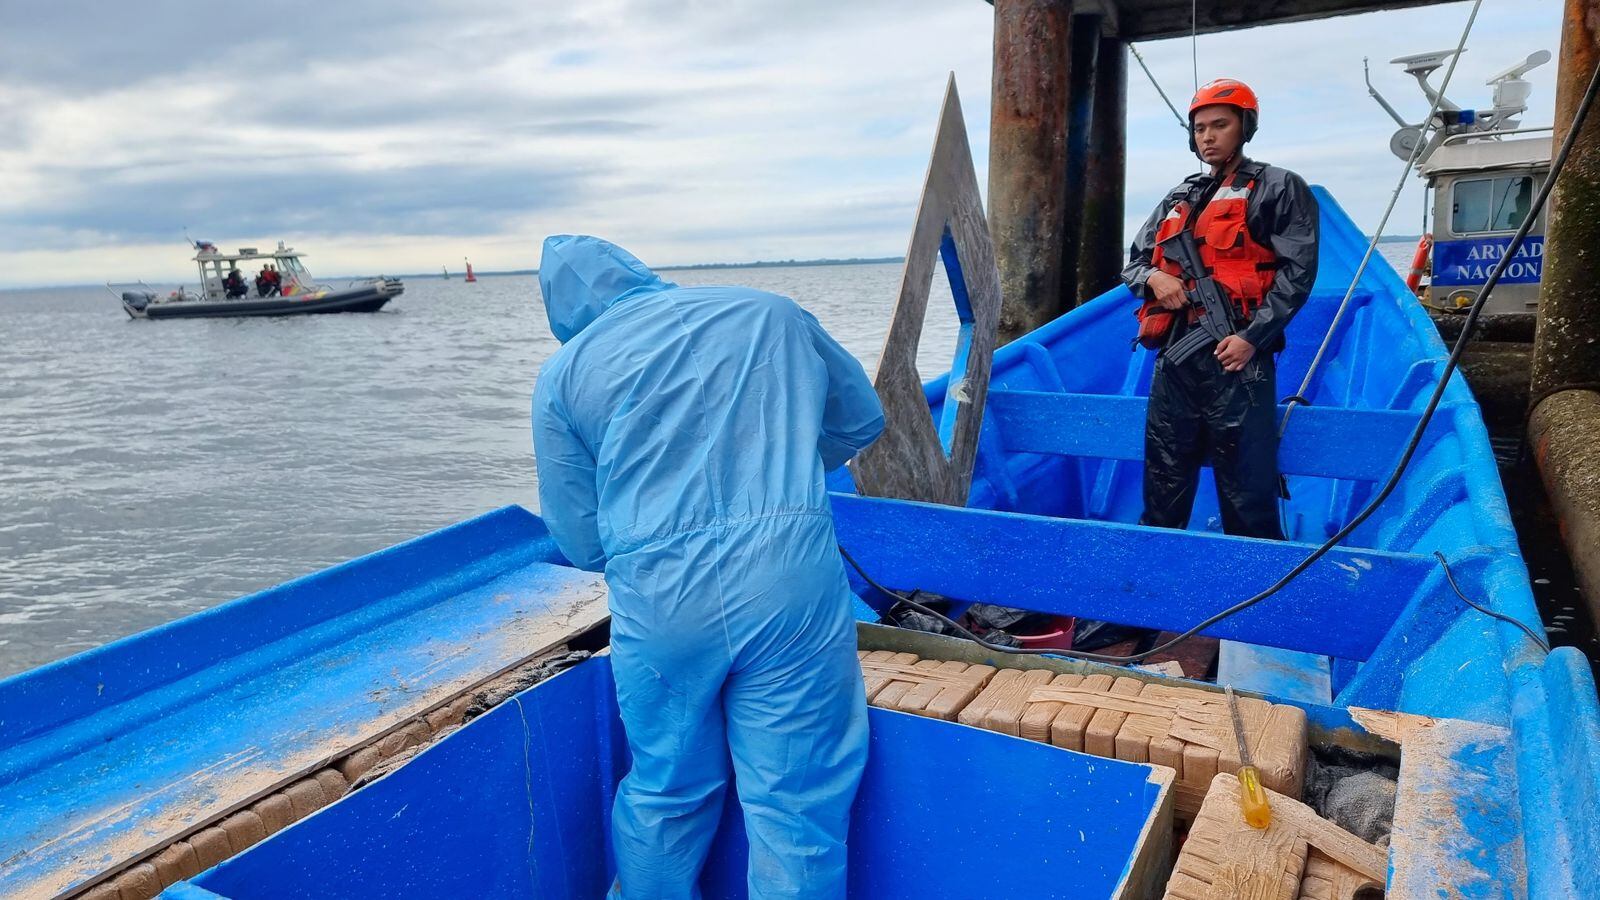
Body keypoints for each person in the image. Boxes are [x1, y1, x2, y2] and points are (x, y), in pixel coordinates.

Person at [531, 235, 884, 899]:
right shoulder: (772, 312)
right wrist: (785, 473)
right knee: (797, 807)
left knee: (665, 792)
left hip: (660, 606)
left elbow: (580, 540)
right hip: (789, 587)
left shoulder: (564, 374)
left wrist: (653, 548)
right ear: (638, 269)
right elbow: (861, 420)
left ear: (564, 314)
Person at [1123, 78, 1319, 540]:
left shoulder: (1278, 187)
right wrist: (1155, 277)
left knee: (1247, 490)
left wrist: (1253, 339)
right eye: (1199, 128)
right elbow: (1134, 263)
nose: (1207, 136)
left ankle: (1255, 588)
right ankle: (1153, 582)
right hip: (1175, 360)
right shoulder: (1178, 197)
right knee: (1163, 479)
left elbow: (1298, 274)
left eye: (1219, 125)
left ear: (1244, 128)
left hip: (1237, 362)